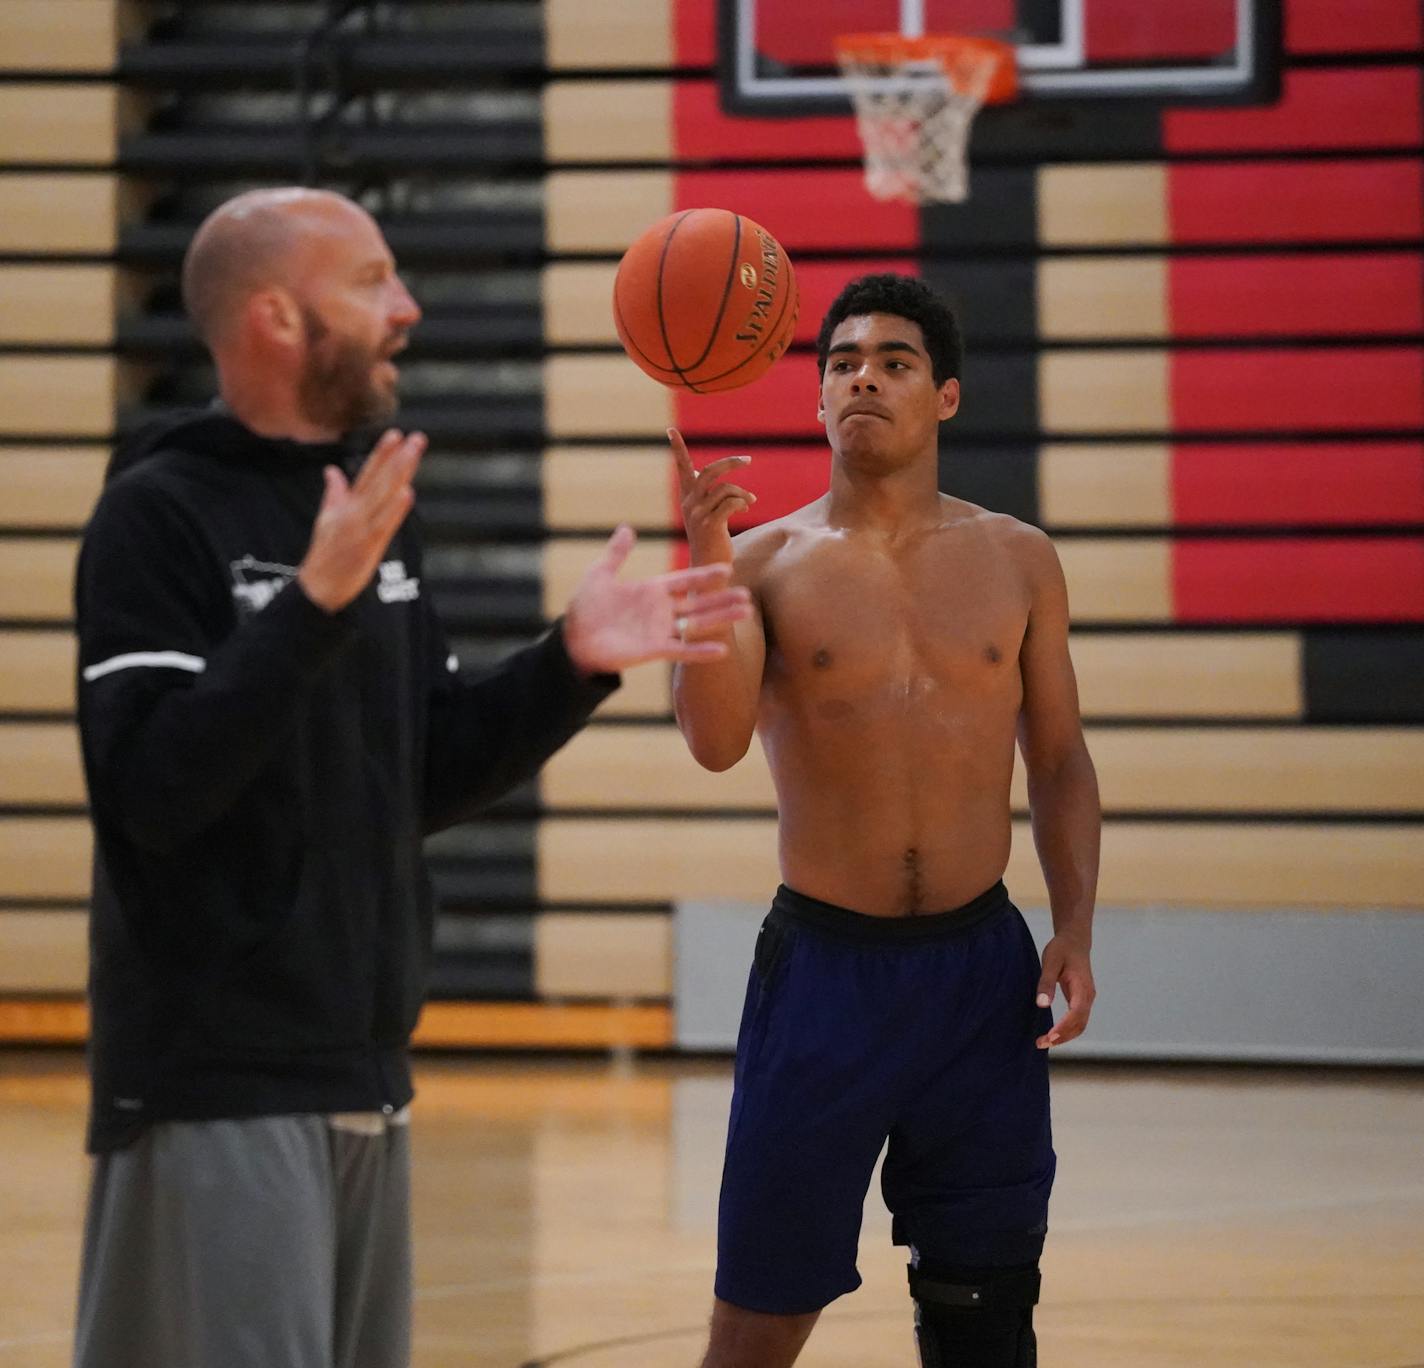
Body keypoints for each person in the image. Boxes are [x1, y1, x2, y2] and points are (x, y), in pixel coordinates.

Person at [71, 186, 751, 1368]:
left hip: (365, 1064)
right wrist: (310, 606)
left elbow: (420, 772)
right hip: (215, 1079)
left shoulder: (371, 508)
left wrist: (569, 662)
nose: (407, 307)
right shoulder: (156, 516)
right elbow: (151, 793)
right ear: (278, 316)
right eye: (373, 280)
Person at [671, 273, 1100, 1367]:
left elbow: (1056, 758)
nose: (862, 376)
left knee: (983, 1312)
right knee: (756, 1324)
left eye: (893, 361)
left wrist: (1076, 931)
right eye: (841, 362)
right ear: (816, 403)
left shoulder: (1017, 558)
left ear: (944, 397)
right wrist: (705, 568)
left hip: (977, 973)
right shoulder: (760, 562)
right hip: (824, 974)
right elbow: (713, 744)